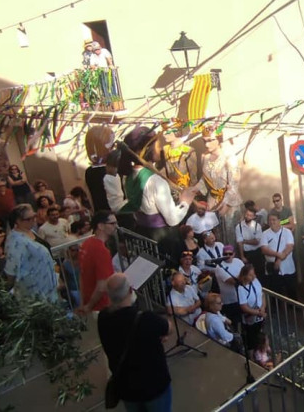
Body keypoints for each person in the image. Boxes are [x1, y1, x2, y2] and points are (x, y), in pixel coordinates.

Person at [97, 273, 172, 412]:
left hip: (126, 388)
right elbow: (168, 327)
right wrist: (158, 334)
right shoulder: (145, 319)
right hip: (154, 387)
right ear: (131, 290)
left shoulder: (103, 317)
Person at [119, 127, 196, 243]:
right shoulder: (156, 181)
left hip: (143, 234)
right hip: (163, 238)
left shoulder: (128, 177)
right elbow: (173, 219)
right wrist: (185, 202)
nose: (160, 149)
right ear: (148, 149)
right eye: (158, 145)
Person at [4, 204, 60, 304]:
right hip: (34, 291)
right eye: (29, 219)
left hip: (49, 285)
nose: (33, 220)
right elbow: (11, 269)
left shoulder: (31, 231)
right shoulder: (15, 241)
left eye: (34, 216)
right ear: (18, 221)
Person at [76, 210, 117, 314]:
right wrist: (89, 306)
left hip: (89, 302)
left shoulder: (86, 243)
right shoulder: (101, 251)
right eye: (112, 223)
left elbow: (81, 276)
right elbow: (102, 286)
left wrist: (83, 303)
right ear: (101, 226)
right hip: (100, 307)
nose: (116, 226)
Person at [260, 212, 297, 298]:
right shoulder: (265, 234)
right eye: (270, 220)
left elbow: (290, 247)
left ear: (279, 221)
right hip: (273, 269)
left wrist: (279, 259)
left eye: (274, 220)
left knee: (291, 290)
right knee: (275, 292)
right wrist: (278, 255)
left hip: (288, 267)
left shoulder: (287, 232)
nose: (272, 222)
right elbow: (264, 249)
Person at [213, 244, 244, 330]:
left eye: (230, 254)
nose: (228, 256)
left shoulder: (239, 261)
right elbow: (233, 281)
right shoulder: (219, 267)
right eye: (225, 254)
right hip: (229, 301)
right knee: (234, 324)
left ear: (234, 254)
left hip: (241, 298)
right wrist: (243, 276)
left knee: (243, 322)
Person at [237, 264, 266, 350]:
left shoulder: (256, 281)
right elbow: (244, 306)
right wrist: (258, 313)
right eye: (250, 275)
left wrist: (263, 307)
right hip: (251, 317)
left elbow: (262, 294)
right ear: (244, 276)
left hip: (260, 313)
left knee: (260, 335)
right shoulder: (241, 288)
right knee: (251, 339)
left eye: (253, 274)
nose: (253, 276)